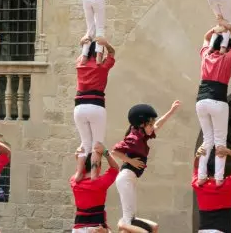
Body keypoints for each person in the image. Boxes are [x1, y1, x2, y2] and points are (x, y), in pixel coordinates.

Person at [111, 101, 181, 233]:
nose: (152, 127)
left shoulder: (142, 136)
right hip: (126, 178)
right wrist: (130, 161)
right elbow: (114, 151)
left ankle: (123, 224)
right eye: (149, 124)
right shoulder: (134, 138)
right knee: (128, 220)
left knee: (132, 218)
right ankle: (121, 224)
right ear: (141, 125)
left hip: (130, 179)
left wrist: (171, 111)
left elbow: (158, 124)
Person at [196, 20, 231, 186]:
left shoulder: (205, 55)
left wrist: (217, 29)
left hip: (201, 101)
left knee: (207, 140)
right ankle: (218, 179)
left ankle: (202, 175)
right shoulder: (228, 58)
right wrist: (229, 27)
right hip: (218, 101)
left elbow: (206, 37)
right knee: (220, 141)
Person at [74, 39, 117, 181]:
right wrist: (105, 43)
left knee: (85, 143)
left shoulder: (80, 63)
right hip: (96, 106)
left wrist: (84, 42)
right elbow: (112, 53)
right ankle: (93, 176)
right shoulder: (102, 66)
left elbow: (81, 55)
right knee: (97, 144)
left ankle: (79, 173)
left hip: (79, 107)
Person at [193, 145, 231, 233]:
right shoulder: (227, 185)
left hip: (203, 230)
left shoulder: (198, 185)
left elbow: (196, 168)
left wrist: (198, 157)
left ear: (206, 169)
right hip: (222, 230)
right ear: (222, 169)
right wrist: (229, 152)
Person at [70, 144, 120, 233]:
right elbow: (115, 168)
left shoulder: (74, 182)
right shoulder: (100, 183)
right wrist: (105, 152)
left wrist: (79, 158)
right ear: (98, 166)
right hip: (97, 228)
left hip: (78, 229)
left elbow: (80, 171)